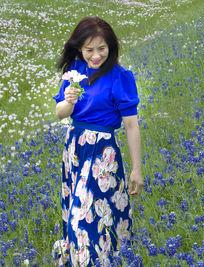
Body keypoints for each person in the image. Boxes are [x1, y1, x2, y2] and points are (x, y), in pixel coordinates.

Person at [52, 17, 143, 266]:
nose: (95, 55)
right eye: (89, 49)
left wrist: (136, 169)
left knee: (84, 217)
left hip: (103, 151)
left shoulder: (120, 76)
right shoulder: (74, 71)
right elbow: (61, 113)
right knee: (76, 211)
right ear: (79, 48)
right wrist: (68, 100)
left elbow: (131, 125)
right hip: (74, 148)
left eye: (101, 48)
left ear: (111, 47)